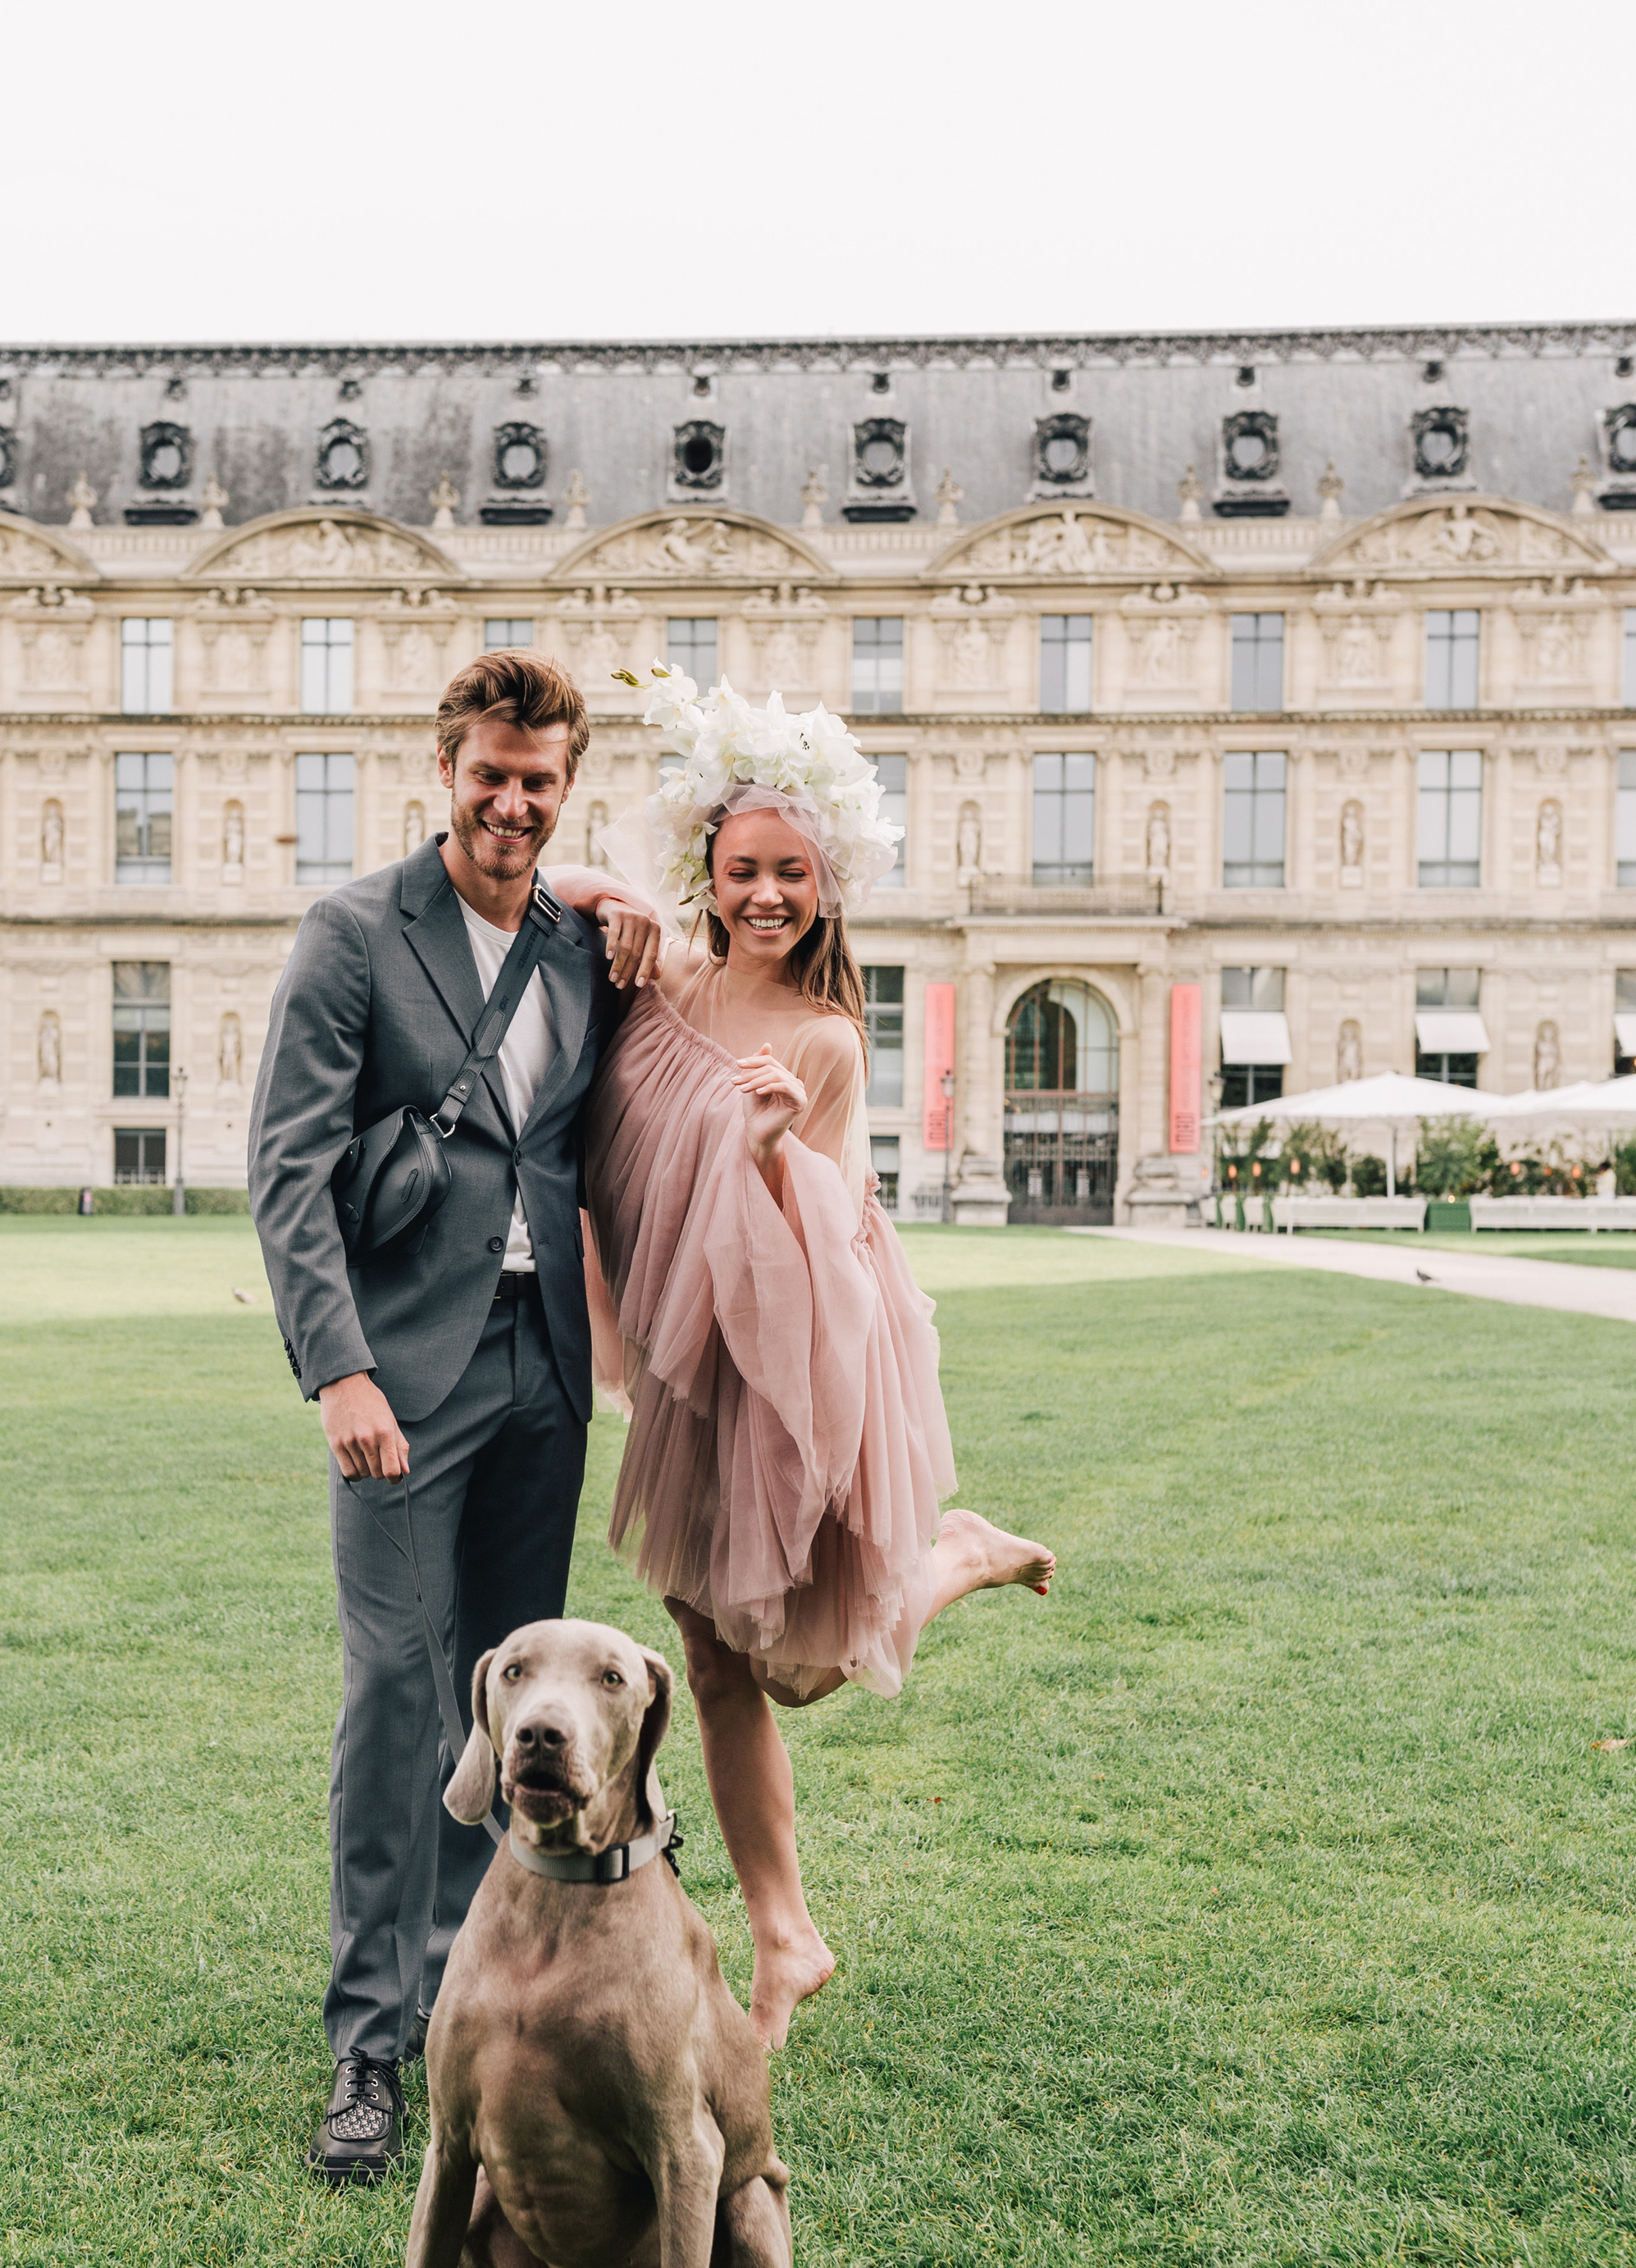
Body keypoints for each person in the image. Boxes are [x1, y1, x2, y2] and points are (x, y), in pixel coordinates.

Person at [547, 670, 1055, 2047]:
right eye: (742, 868)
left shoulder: (827, 1041)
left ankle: (954, 1552)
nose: (766, 892)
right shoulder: (662, 983)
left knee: (801, 1666)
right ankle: (787, 1932)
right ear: (706, 872)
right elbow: (557, 890)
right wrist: (622, 899)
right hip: (680, 1353)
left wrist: (774, 1150)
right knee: (708, 1662)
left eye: (792, 873)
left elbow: (825, 1244)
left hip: (794, 1350)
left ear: (828, 886)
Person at [248, 651, 613, 2182]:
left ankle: (482, 2000)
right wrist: (337, 1370)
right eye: (490, 776)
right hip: (402, 1374)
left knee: (515, 1709)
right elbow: (287, 1167)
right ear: (444, 770)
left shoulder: (583, 948)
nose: (512, 803)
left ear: (563, 789)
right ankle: (367, 2050)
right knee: (401, 1693)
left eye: (539, 782)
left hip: (544, 1365)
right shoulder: (351, 936)